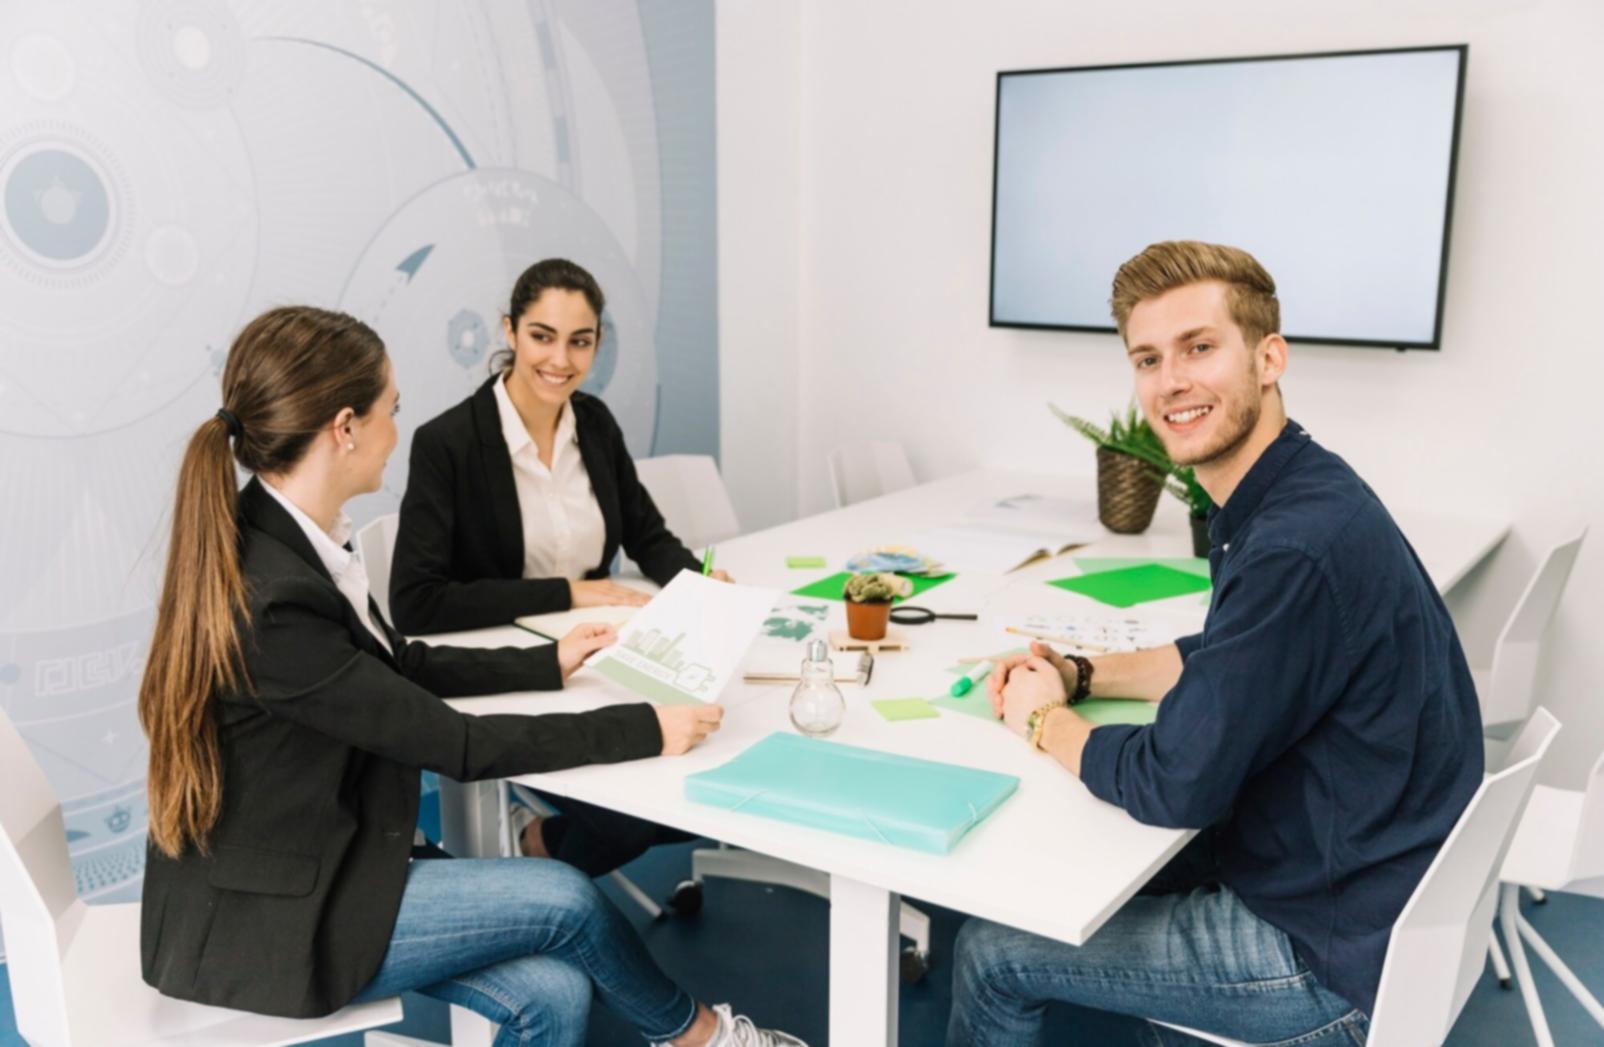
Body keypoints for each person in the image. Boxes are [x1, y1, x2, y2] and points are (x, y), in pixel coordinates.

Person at [138, 305, 803, 1047]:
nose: (397, 431)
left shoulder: (288, 537)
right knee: (566, 898)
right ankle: (706, 1038)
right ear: (345, 427)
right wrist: (644, 726)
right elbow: (454, 743)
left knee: (553, 993)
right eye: (392, 409)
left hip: (323, 855)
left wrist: (545, 660)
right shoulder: (274, 598)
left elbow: (397, 667)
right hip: (276, 917)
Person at [947, 242, 1483, 1046]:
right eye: (1148, 359)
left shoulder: (1292, 546)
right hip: (1373, 887)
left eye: (1199, 347)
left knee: (992, 953)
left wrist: (1042, 719)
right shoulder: (1301, 488)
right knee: (1086, 873)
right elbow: (1230, 655)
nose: (1171, 380)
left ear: (1269, 358)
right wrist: (1078, 671)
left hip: (1325, 950)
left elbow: (1177, 782)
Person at [390, 257, 724, 873]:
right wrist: (566, 592)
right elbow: (416, 601)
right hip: (514, 672)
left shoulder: (594, 424)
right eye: (542, 336)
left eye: (580, 341)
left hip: (605, 659)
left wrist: (699, 583)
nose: (561, 360)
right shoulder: (448, 443)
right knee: (629, 823)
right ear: (510, 331)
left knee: (706, 766)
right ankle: (536, 849)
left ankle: (537, 843)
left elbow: (647, 534)